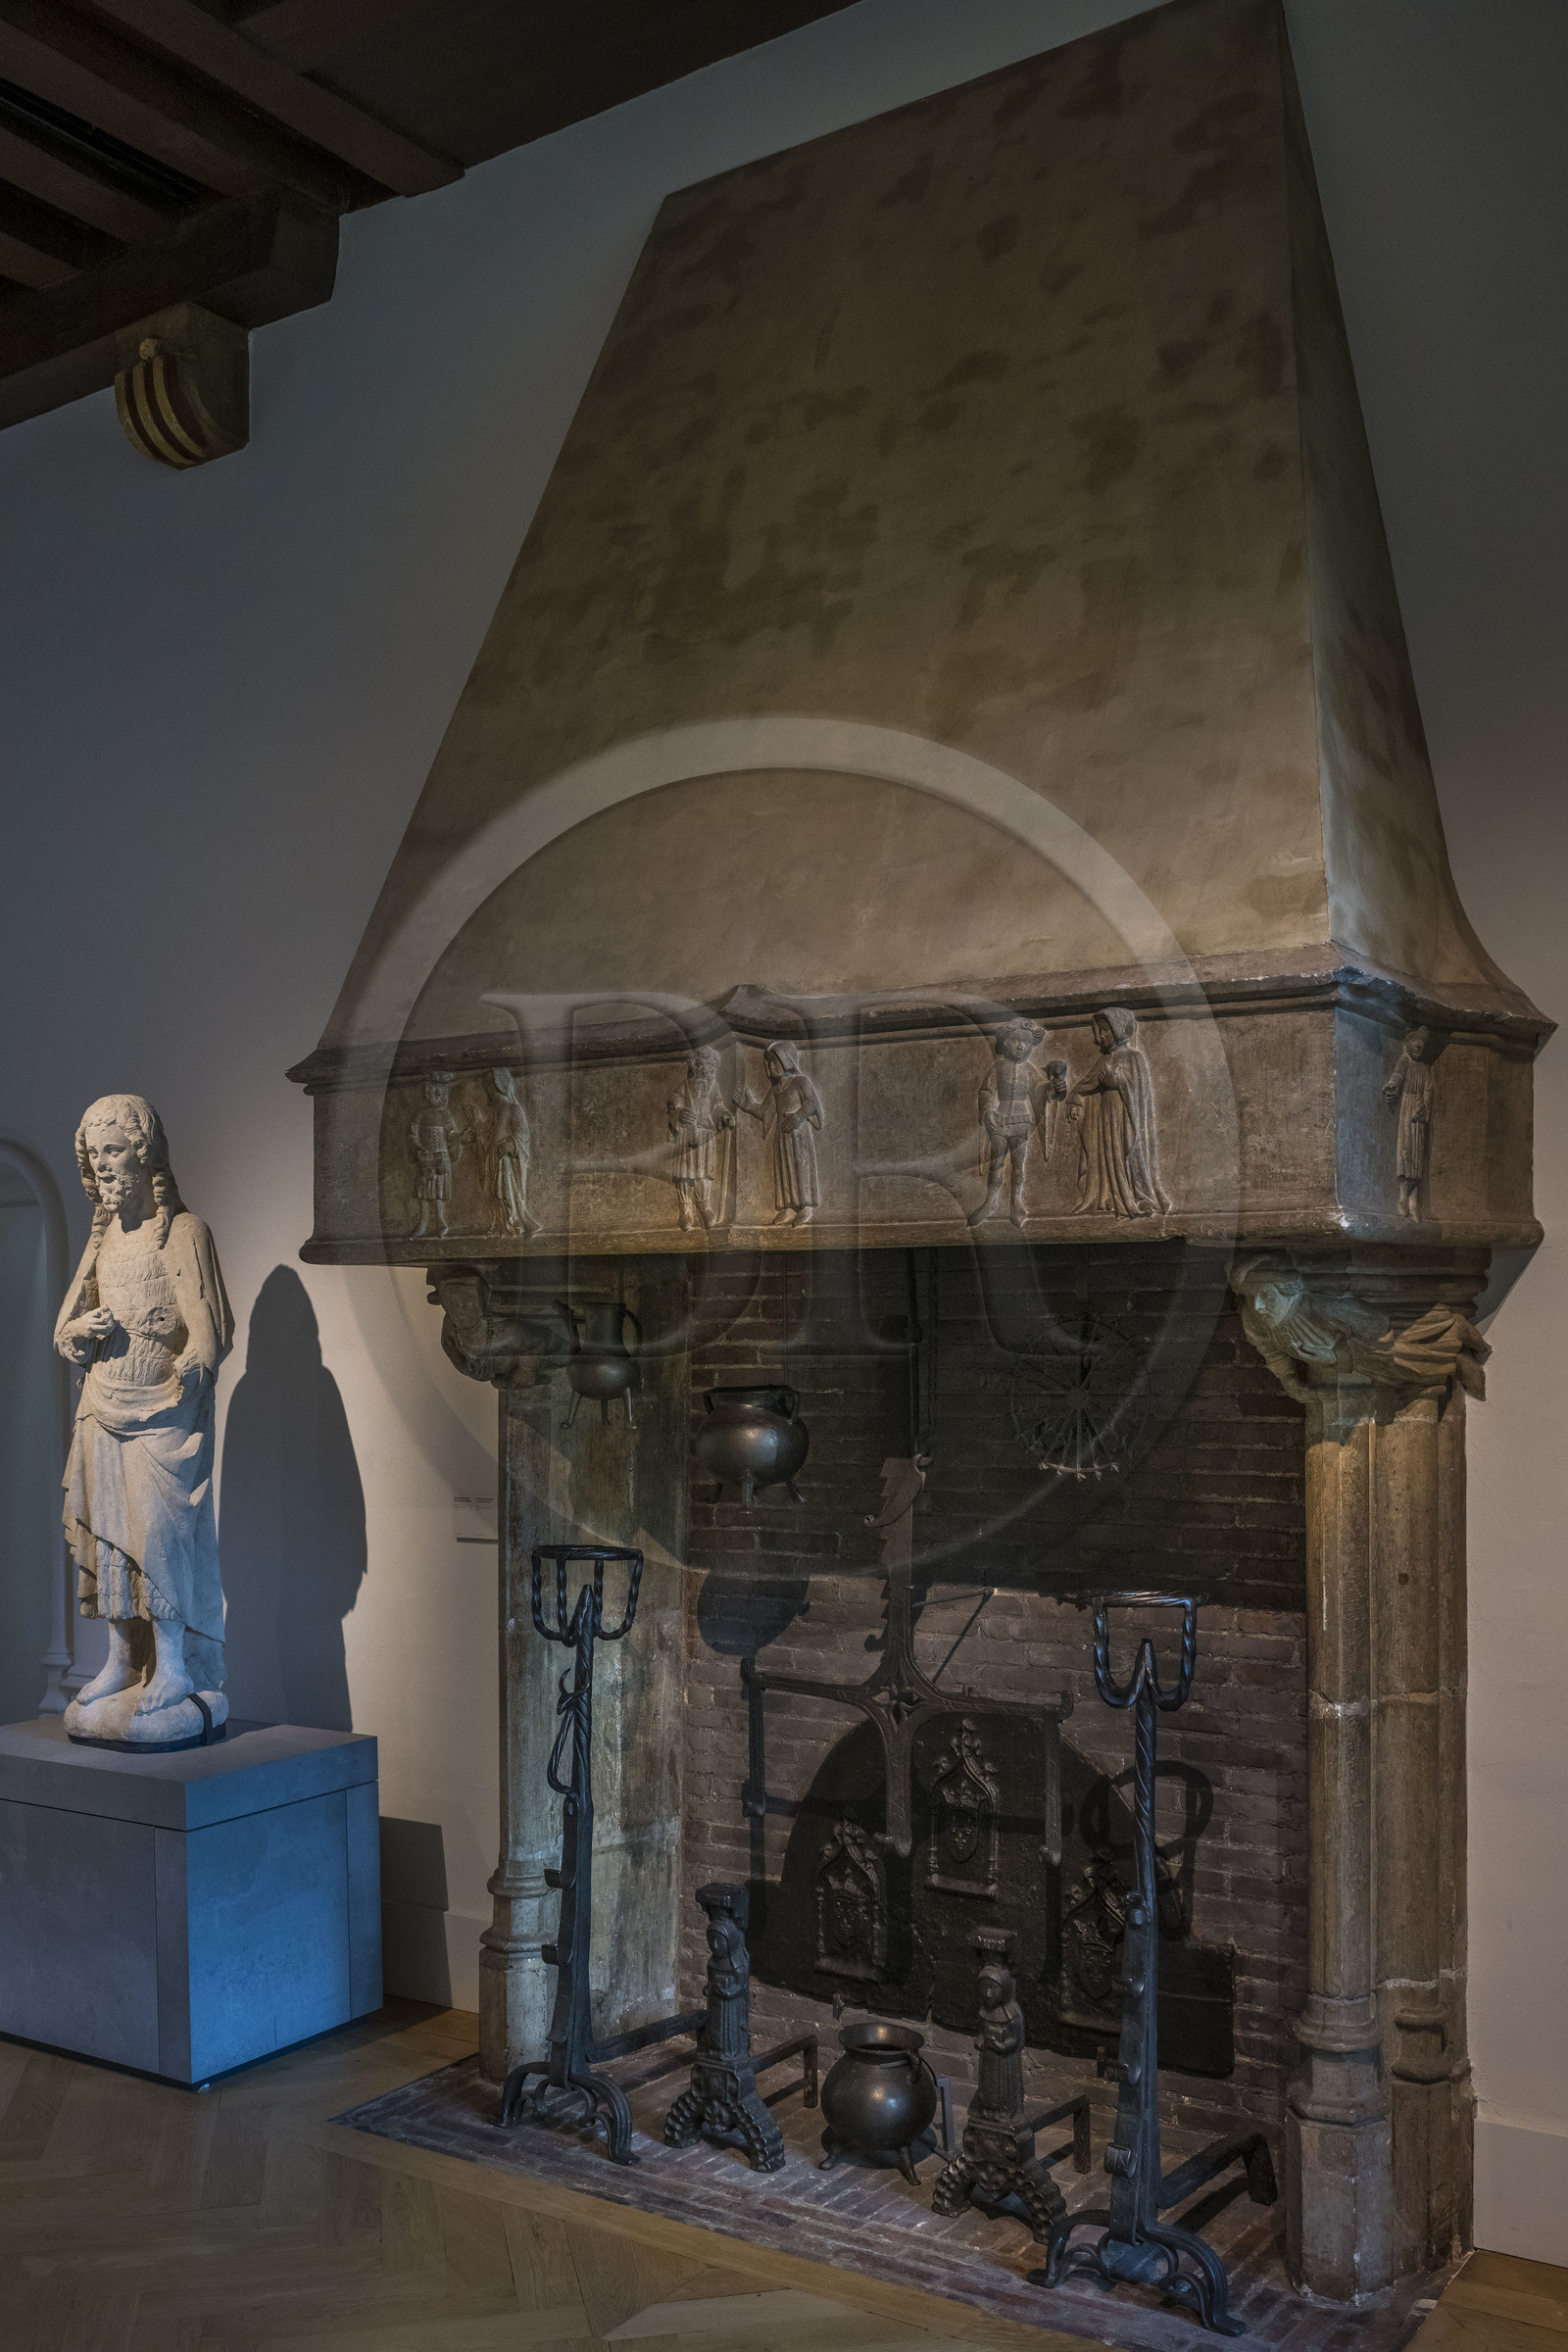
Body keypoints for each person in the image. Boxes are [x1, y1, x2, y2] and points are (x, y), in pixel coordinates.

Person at [54, 1095, 232, 1740]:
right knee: (106, 1539)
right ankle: (123, 1660)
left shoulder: (185, 1233)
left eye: (113, 1150)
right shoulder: (102, 1240)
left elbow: (209, 1333)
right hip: (102, 1405)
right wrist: (82, 1328)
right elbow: (65, 1335)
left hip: (162, 1416)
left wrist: (193, 1367)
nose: (103, 1165)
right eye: (94, 1153)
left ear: (144, 1153)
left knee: (157, 1538)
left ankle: (178, 1667)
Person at [1065, 1007, 1169, 1218]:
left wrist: (1118, 1082)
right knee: (1106, 1153)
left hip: (1125, 1114)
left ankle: (1129, 1195)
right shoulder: (1104, 1059)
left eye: (1107, 1030)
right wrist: (1074, 1097)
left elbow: (1139, 1092)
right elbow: (1086, 1083)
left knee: (1122, 1151)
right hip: (1106, 1113)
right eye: (1101, 1031)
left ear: (1120, 1030)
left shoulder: (1134, 1057)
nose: (1101, 1035)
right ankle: (1107, 1195)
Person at [970, 1019, 1067, 1228]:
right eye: (1015, 1040)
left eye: (1026, 1042)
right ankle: (990, 1201)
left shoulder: (1030, 1070)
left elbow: (1041, 1092)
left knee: (1018, 1166)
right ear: (1006, 1042)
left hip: (1022, 1122)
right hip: (1000, 1121)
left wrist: (1056, 1088)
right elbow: (987, 1091)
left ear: (1032, 1046)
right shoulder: (998, 1068)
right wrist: (988, 1110)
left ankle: (1017, 1201)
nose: (1020, 1046)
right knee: (995, 1164)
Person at [734, 1040, 825, 1227]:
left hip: (799, 1136)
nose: (770, 1067)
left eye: (774, 1062)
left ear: (786, 1060)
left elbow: (811, 1104)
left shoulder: (800, 1082)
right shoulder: (776, 1089)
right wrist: (747, 1105)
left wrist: (798, 1117)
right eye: (768, 1063)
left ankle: (805, 1205)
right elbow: (764, 1112)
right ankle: (788, 1206)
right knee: (785, 1168)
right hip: (782, 1137)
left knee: (801, 1167)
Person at [667, 1046, 734, 1231]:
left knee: (704, 1174)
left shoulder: (714, 1088)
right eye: (703, 1066)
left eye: (711, 1068)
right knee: (684, 1175)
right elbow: (674, 1103)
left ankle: (703, 1206)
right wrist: (679, 1114)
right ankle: (685, 1209)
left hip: (706, 1136)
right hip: (688, 1136)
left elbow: (718, 1105)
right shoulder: (685, 1086)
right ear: (695, 1066)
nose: (707, 1071)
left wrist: (725, 1116)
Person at [1383, 1025, 1434, 1221]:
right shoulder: (1405, 1061)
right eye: (1415, 1044)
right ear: (1408, 1045)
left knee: (1417, 1155)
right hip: (1406, 1108)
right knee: (1405, 1151)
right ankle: (1403, 1197)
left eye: (1421, 1046)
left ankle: (1415, 1200)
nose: (1418, 1048)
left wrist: (1425, 1107)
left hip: (1418, 1114)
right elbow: (1397, 1075)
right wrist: (1392, 1086)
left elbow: (1429, 1090)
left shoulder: (1424, 1068)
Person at [408, 1072, 466, 1240]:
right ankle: (422, 1224)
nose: (438, 1097)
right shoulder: (420, 1114)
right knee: (423, 1192)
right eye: (435, 1093)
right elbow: (412, 1135)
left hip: (441, 1157)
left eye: (441, 1094)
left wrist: (461, 1137)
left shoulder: (446, 1114)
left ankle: (441, 1222)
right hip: (425, 1157)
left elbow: (452, 1135)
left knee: (438, 1192)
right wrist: (418, 1149)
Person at [487, 1066, 540, 1237]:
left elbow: (523, 1133)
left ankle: (521, 1222)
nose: (486, 1090)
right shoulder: (495, 1110)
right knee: (500, 1196)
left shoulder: (513, 1107)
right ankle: (505, 1226)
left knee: (510, 1195)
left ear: (497, 1085)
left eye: (488, 1085)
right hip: (496, 1161)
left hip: (508, 1162)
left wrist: (511, 1144)